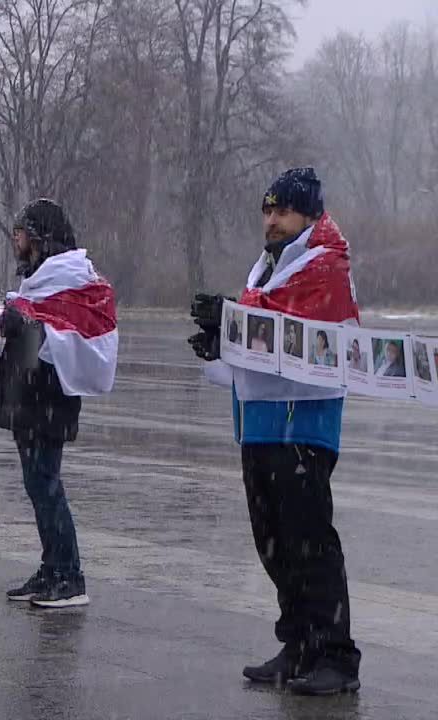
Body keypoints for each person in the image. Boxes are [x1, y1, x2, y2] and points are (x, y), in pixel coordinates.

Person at [189, 167, 362, 695]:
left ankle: (336, 655)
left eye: (283, 211)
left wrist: (234, 318)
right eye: (267, 211)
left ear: (309, 216)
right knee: (274, 542)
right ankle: (299, 643)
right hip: (262, 423)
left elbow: (295, 334)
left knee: (309, 542)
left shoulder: (326, 267)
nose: (271, 221)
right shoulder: (267, 270)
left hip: (301, 425)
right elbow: (264, 333)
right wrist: (221, 337)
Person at [0, 199, 117, 609]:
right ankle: (52, 568)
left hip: (50, 398)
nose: (16, 239)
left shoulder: (75, 282)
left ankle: (69, 576)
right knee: (37, 485)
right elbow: (39, 332)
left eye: (22, 232)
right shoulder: (38, 281)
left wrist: (28, 326)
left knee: (46, 485)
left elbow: (75, 340)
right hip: (29, 396)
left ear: (42, 238)